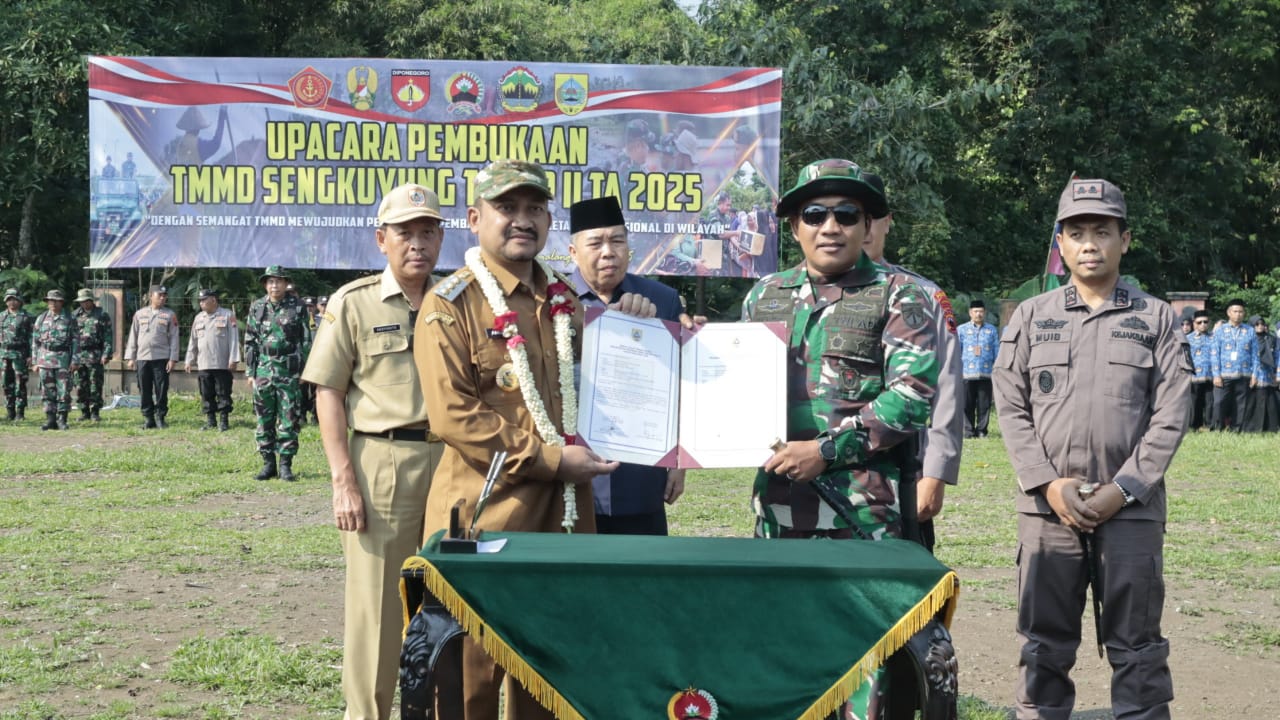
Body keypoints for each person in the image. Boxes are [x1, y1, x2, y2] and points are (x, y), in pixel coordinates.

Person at [415, 159, 638, 720]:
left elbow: (612, 389)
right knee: (471, 678)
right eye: (506, 208)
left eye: (534, 208)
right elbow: (453, 416)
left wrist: (651, 334)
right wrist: (550, 460)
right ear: (474, 218)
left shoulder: (567, 302)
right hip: (486, 518)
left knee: (551, 671)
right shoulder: (451, 303)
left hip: (565, 520)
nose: (522, 220)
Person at [742, 158, 940, 714]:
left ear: (867, 225)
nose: (831, 226)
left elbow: (912, 397)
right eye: (815, 213)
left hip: (863, 514)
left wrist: (826, 451)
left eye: (847, 214)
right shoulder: (764, 296)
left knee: (862, 665)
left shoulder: (902, 296)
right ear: (795, 226)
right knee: (784, 653)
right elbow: (731, 390)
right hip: (777, 509)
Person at [994, 176, 1191, 720]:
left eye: (1101, 231)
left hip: (1131, 512)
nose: (1089, 243)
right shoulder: (1032, 316)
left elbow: (1171, 414)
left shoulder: (1155, 319)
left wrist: (1124, 489)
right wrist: (1047, 483)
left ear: (1124, 240)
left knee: (1138, 646)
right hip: (1046, 511)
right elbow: (1009, 408)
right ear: (1060, 243)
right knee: (1043, 648)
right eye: (1076, 231)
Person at [302, 183, 447, 720]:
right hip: (381, 462)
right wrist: (343, 480)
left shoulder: (457, 298)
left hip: (451, 463)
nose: (417, 243)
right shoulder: (355, 302)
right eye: (405, 232)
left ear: (441, 237)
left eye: (427, 231)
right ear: (381, 239)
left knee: (445, 602)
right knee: (378, 609)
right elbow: (328, 392)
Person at [567, 195, 686, 535]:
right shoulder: (554, 300)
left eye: (617, 240)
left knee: (644, 576)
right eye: (596, 243)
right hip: (575, 477)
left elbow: (680, 385)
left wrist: (680, 461)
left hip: (641, 472)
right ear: (574, 253)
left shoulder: (661, 300)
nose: (608, 252)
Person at [860, 172, 963, 553]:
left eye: (873, 215)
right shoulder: (789, 295)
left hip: (901, 474)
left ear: (888, 221)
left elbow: (947, 389)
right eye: (854, 214)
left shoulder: (924, 295)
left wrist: (936, 472)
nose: (864, 227)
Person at [244, 266, 310, 481]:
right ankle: (268, 463)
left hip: (288, 371)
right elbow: (250, 341)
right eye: (271, 282)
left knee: (288, 418)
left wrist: (305, 370)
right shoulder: (257, 307)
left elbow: (306, 340)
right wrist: (250, 372)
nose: (275, 285)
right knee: (264, 418)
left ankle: (285, 465)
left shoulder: (298, 307)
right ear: (265, 284)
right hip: (263, 369)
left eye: (279, 281)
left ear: (286, 283)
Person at [124, 284, 179, 429]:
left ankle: (160, 417)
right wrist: (131, 357)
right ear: (151, 296)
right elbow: (133, 336)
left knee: (161, 389)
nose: (162, 298)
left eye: (164, 295)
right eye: (159, 295)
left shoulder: (169, 315)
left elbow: (174, 337)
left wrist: (173, 358)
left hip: (161, 358)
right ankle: (148, 418)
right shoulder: (140, 314)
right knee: (144, 389)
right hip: (143, 357)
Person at [185, 289, 240, 431]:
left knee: (223, 392)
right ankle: (211, 421)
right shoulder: (198, 318)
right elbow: (193, 340)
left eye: (204, 300)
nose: (201, 303)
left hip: (221, 363)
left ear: (214, 300)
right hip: (203, 363)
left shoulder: (227, 315)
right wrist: (189, 359)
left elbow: (234, 338)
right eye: (200, 300)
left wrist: (233, 358)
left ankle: (224, 421)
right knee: (206, 393)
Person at [30, 290, 78, 431]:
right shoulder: (41, 318)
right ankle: (50, 419)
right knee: (47, 391)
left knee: (64, 390)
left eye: (55, 301)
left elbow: (76, 341)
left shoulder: (69, 318)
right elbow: (35, 341)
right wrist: (35, 361)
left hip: (63, 359)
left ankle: (62, 419)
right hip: (45, 359)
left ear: (61, 302)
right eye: (50, 301)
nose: (53, 303)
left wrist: (75, 360)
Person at [957, 300, 1000, 438]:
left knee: (984, 405)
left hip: (986, 373)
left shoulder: (991, 330)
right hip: (966, 374)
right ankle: (968, 431)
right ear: (970, 312)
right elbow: (957, 350)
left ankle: (981, 431)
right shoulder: (961, 330)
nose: (978, 314)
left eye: (981, 311)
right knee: (966, 404)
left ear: (985, 313)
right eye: (976, 311)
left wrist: (998, 367)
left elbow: (996, 350)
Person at [1210, 298, 1254, 431]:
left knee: (1241, 403)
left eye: (1241, 312)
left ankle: (1237, 428)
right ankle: (1217, 427)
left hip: (1244, 372)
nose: (1238, 314)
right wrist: (1216, 375)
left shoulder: (1250, 330)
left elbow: (1255, 354)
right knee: (1219, 402)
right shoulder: (1220, 330)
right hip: (1224, 374)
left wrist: (1254, 374)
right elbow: (1214, 354)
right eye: (1235, 311)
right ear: (1229, 313)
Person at [71, 288, 113, 422]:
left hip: (95, 354)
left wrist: (106, 354)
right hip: (79, 354)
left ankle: (95, 411)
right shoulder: (74, 315)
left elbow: (108, 337)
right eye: (81, 301)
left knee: (95, 384)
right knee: (80, 385)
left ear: (91, 300)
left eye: (85, 301)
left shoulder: (101, 315)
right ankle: (84, 411)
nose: (83, 304)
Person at [2, 288, 35, 421]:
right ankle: (10, 411)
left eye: (14, 299)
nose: (12, 302)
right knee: (6, 384)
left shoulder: (26, 317)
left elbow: (32, 337)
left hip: (20, 354)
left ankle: (20, 412)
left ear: (20, 301)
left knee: (20, 383)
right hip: (4, 355)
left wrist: (31, 355)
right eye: (9, 299)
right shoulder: (1, 316)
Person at [1243, 315, 1278, 432]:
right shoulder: (1247, 338)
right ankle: (1253, 428)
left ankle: (1270, 428)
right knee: (1253, 401)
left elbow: (1277, 357)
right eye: (1257, 324)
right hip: (1252, 374)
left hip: (1268, 375)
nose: (1260, 326)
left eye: (1262, 324)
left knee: (1270, 401)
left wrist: (1278, 374)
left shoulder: (1272, 339)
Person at [1187, 310, 1215, 430]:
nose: (1203, 324)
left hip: (1211, 376)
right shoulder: (1188, 338)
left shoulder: (1214, 338)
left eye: (1205, 322)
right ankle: (1194, 426)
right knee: (1195, 403)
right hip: (1194, 376)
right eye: (1199, 322)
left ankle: (1209, 425)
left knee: (1210, 403)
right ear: (1194, 323)